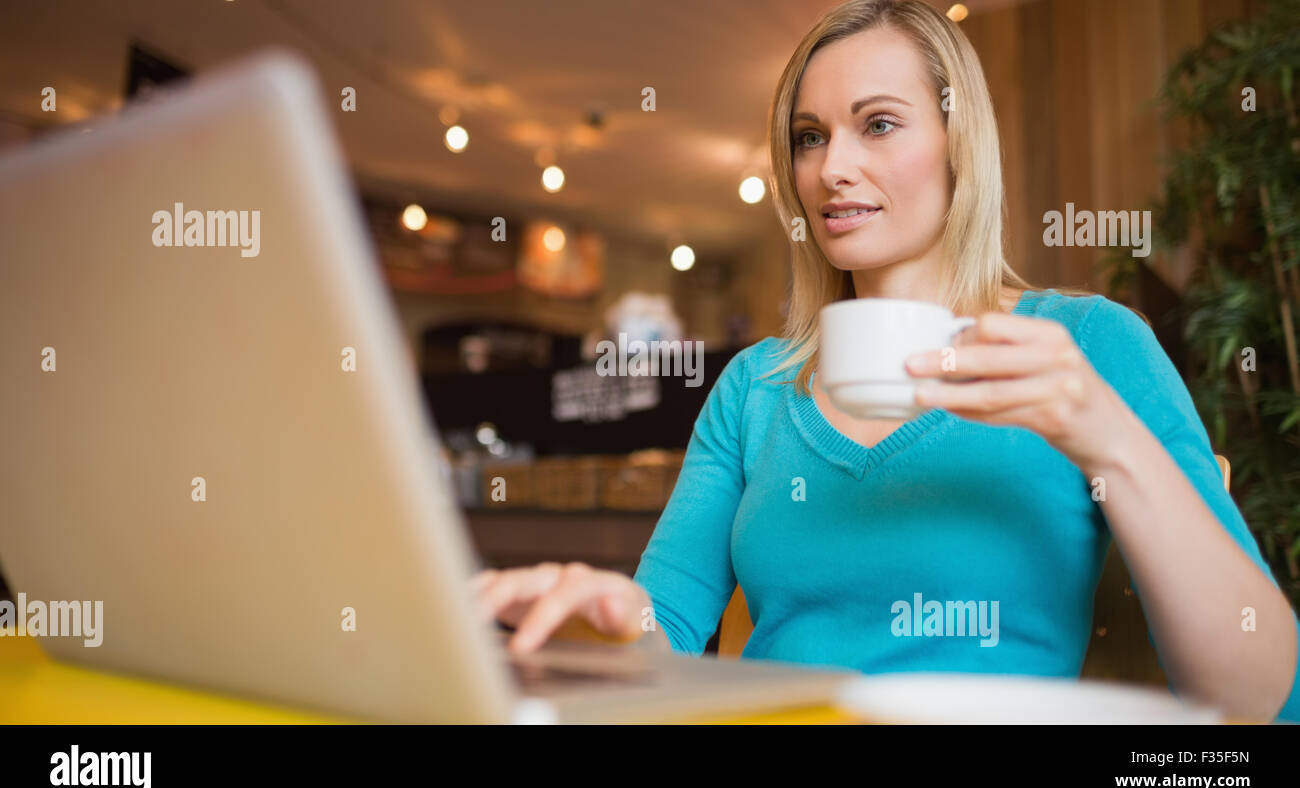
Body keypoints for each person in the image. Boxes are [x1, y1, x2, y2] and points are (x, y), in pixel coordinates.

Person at [472, 0, 1300, 722]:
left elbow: (1258, 689)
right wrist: (611, 617)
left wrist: (1105, 435)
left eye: (878, 123)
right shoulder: (753, 388)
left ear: (958, 142)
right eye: (808, 137)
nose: (832, 168)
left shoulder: (1085, 347)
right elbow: (666, 634)